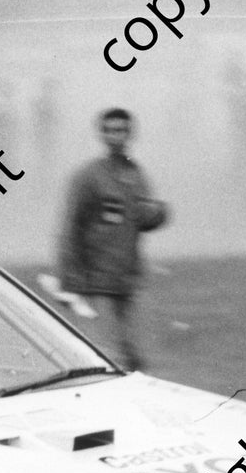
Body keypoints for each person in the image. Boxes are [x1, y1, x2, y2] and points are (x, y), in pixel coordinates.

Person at [56, 107, 169, 371]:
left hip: (127, 278)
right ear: (101, 135)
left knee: (132, 353)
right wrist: (69, 280)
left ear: (130, 134)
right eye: (109, 130)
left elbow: (142, 217)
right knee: (112, 354)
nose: (115, 136)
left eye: (120, 130)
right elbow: (71, 226)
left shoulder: (136, 174)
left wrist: (158, 213)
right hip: (98, 280)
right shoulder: (88, 176)